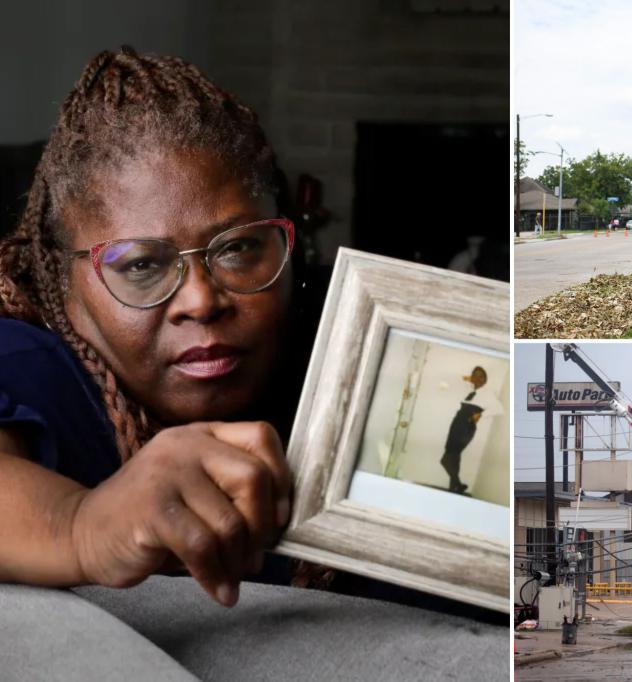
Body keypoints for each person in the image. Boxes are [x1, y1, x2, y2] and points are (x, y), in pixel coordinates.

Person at [0, 48, 504, 675]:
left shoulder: (365, 332)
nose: (200, 300)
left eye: (238, 248)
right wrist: (79, 525)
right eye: (141, 264)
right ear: (61, 279)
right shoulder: (31, 359)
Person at [440, 366, 503, 494]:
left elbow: (499, 409)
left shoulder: (487, 393)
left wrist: (481, 414)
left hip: (466, 426)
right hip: (457, 423)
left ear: (485, 380)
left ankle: (457, 484)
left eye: (481, 376)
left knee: (446, 459)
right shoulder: (470, 390)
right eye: (475, 375)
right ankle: (454, 487)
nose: (478, 378)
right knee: (454, 456)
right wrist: (468, 379)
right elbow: (454, 380)